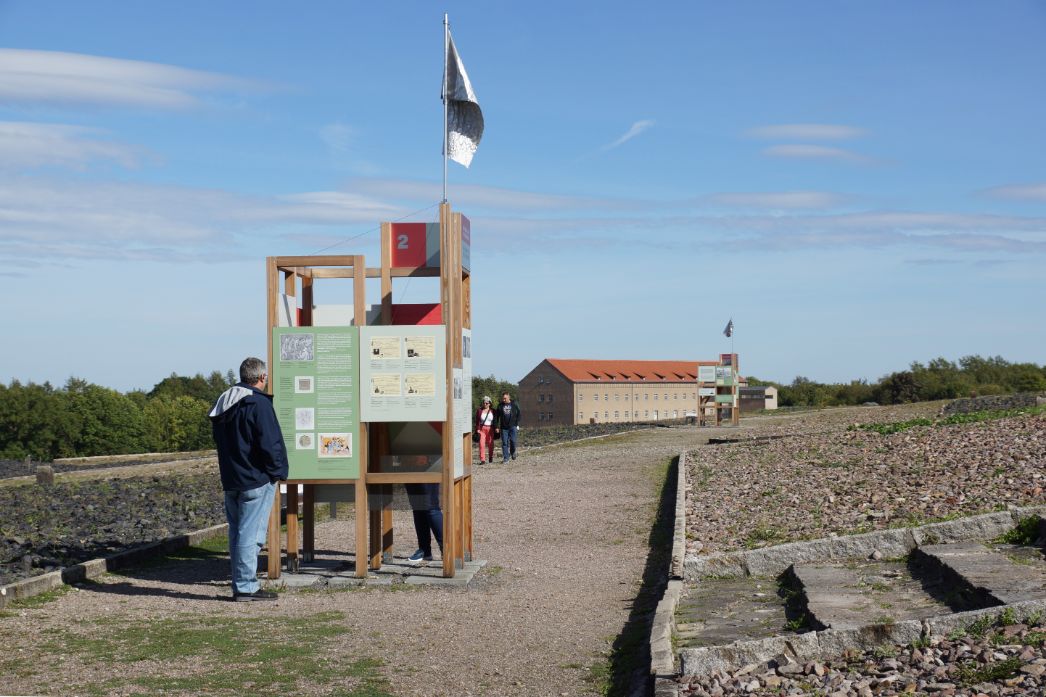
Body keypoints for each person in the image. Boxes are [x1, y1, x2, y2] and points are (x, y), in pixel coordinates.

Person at [209, 357, 289, 601]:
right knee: (250, 534)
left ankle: (240, 582)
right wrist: (278, 472)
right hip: (256, 478)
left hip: (231, 477)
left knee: (236, 533)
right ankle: (246, 586)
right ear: (262, 377)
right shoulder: (258, 404)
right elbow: (270, 442)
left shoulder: (223, 401)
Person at [404, 483, 443, 563]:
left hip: (429, 471)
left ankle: (447, 549)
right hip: (410, 472)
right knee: (418, 507)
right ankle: (424, 551)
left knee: (431, 506)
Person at [496, 391, 521, 464]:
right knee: (504, 443)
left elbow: (519, 413)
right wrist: (496, 426)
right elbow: (496, 416)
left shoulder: (514, 404)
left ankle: (513, 452)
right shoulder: (500, 405)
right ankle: (506, 458)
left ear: (508, 397)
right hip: (504, 427)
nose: (503, 400)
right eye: (503, 398)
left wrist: (516, 423)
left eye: (505, 398)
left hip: (512, 426)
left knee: (513, 441)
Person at [474, 396, 496, 464]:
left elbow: (495, 420)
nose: (485, 404)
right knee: (481, 444)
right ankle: (482, 459)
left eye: (487, 403)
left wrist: (496, 428)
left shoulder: (493, 411)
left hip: (490, 429)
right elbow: (477, 421)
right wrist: (477, 429)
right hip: (482, 429)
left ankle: (490, 457)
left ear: (490, 403)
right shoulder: (479, 410)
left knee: (490, 444)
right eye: (484, 403)